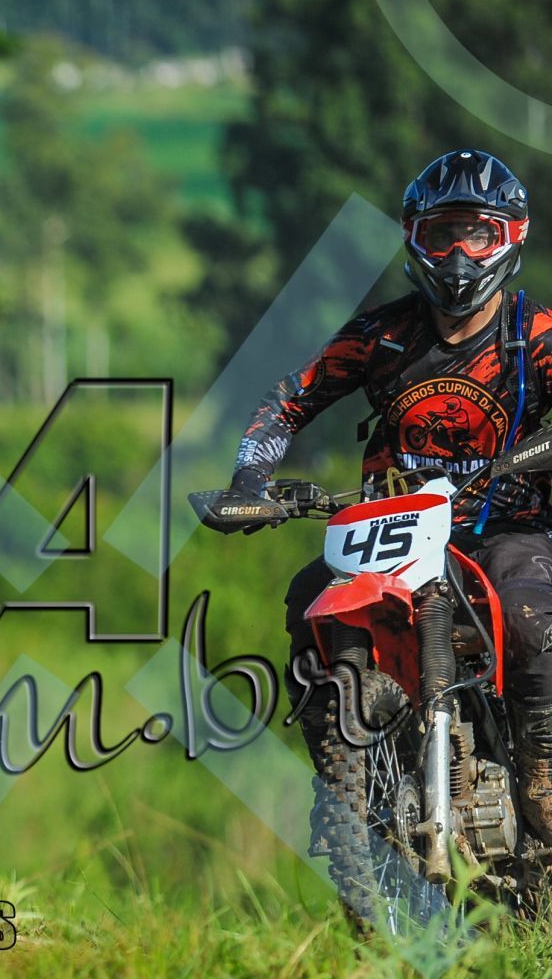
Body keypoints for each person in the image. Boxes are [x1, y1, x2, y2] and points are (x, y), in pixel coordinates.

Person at [216, 148, 552, 838]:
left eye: (477, 234)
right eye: (441, 234)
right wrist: (251, 480)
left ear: (510, 238)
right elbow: (289, 400)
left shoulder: (535, 336)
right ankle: (341, 780)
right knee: (308, 597)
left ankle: (544, 771)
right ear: (413, 238)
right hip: (392, 527)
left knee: (527, 614)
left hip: (504, 527)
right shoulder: (383, 335)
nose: (458, 254)